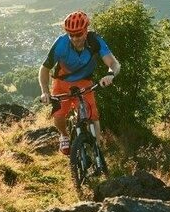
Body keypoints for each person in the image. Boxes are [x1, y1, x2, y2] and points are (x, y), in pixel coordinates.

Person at [39, 10, 121, 155]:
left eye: (79, 34)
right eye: (71, 35)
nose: (75, 38)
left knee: (92, 116)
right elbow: (44, 69)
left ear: (86, 30)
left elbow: (114, 63)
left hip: (84, 82)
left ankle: (97, 149)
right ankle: (64, 135)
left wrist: (110, 75)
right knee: (58, 116)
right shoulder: (60, 44)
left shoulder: (94, 41)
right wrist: (45, 91)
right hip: (61, 82)